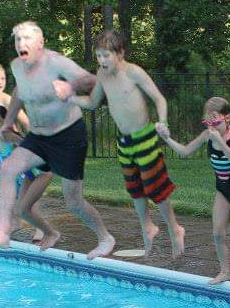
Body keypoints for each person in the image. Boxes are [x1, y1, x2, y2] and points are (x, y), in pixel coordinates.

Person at [0, 21, 116, 259]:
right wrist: (8, 122)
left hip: (68, 136)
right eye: (18, 39)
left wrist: (69, 86)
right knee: (8, 168)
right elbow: (19, 91)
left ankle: (105, 237)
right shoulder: (17, 66)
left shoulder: (56, 63)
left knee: (73, 202)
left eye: (27, 38)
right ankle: (3, 232)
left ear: (40, 43)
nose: (22, 43)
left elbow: (91, 81)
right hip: (39, 137)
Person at [63, 30, 185, 258]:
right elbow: (92, 101)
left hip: (145, 137)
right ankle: (147, 227)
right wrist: (70, 99)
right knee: (135, 189)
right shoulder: (102, 75)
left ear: (120, 53)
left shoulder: (134, 72)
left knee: (156, 187)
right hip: (125, 141)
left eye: (106, 55)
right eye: (99, 55)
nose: (102, 60)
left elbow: (159, 99)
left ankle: (174, 228)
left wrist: (163, 121)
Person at [157, 97, 230, 284]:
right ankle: (225, 271)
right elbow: (184, 152)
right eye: (209, 121)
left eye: (216, 121)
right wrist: (166, 138)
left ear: (227, 118)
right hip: (222, 190)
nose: (212, 126)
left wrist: (219, 141)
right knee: (217, 233)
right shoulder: (207, 135)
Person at [0, 106, 56, 243]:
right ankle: (18, 224)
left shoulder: (8, 136)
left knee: (28, 205)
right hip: (27, 173)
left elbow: (28, 147)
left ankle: (43, 231)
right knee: (20, 206)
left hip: (39, 172)